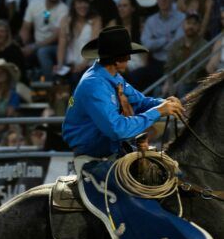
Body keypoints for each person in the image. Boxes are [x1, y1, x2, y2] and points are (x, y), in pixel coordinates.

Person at [61, 25, 183, 159]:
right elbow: (117, 129)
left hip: (108, 146)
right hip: (93, 149)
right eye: (128, 56)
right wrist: (159, 111)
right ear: (118, 60)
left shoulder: (113, 76)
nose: (129, 59)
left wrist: (164, 103)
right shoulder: (94, 85)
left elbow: (140, 102)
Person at [131, 0, 185, 90]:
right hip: (156, 62)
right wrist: (165, 39)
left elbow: (176, 44)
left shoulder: (182, 18)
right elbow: (146, 44)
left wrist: (155, 42)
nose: (163, 0)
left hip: (175, 62)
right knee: (134, 76)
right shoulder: (151, 20)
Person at [19, 0, 68, 77]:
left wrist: (34, 46)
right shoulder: (34, 4)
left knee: (43, 52)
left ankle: (49, 83)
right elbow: (25, 27)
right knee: (17, 50)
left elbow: (57, 36)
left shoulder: (64, 9)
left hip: (56, 46)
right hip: (36, 44)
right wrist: (23, 45)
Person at [56, 0, 101, 84]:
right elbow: (62, 44)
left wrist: (83, 64)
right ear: (74, 4)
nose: (83, 6)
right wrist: (59, 64)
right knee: (58, 77)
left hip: (90, 63)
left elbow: (94, 44)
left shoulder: (96, 19)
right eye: (79, 2)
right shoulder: (66, 20)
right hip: (72, 64)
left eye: (85, 2)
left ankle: (73, 99)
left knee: (77, 78)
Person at [164, 11, 207, 97]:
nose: (191, 26)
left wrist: (178, 84)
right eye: (188, 23)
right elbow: (169, 67)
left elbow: (200, 70)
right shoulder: (175, 45)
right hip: (176, 83)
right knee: (158, 90)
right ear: (183, 25)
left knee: (182, 88)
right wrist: (169, 83)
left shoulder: (204, 45)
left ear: (199, 27)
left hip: (195, 83)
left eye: (194, 24)